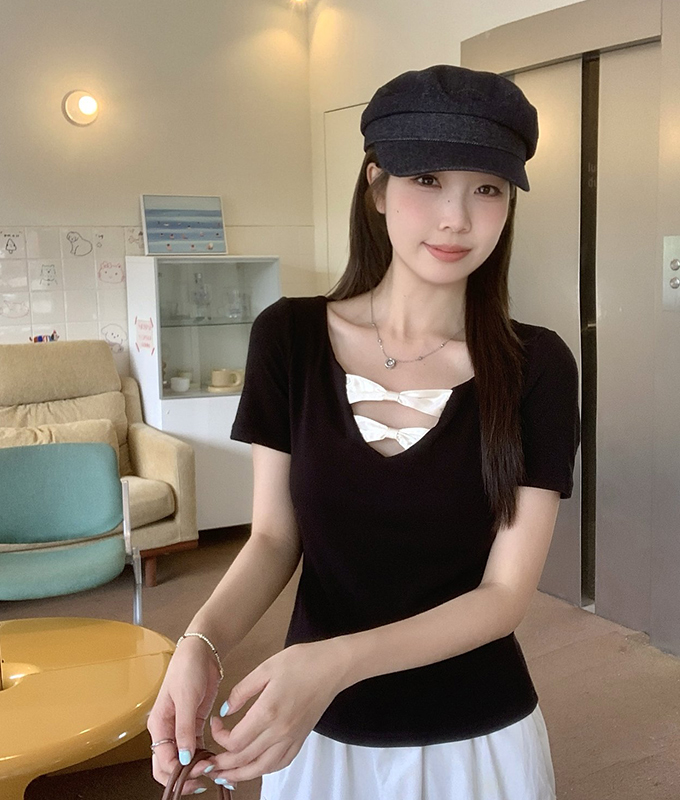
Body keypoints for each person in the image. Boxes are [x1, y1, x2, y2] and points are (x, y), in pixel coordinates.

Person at [147, 63, 581, 800]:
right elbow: (273, 539)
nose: (456, 217)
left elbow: (504, 594)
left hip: (474, 736)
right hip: (317, 736)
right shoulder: (288, 337)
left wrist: (333, 663)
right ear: (376, 186)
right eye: (427, 180)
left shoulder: (536, 366)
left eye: (488, 189)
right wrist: (200, 642)